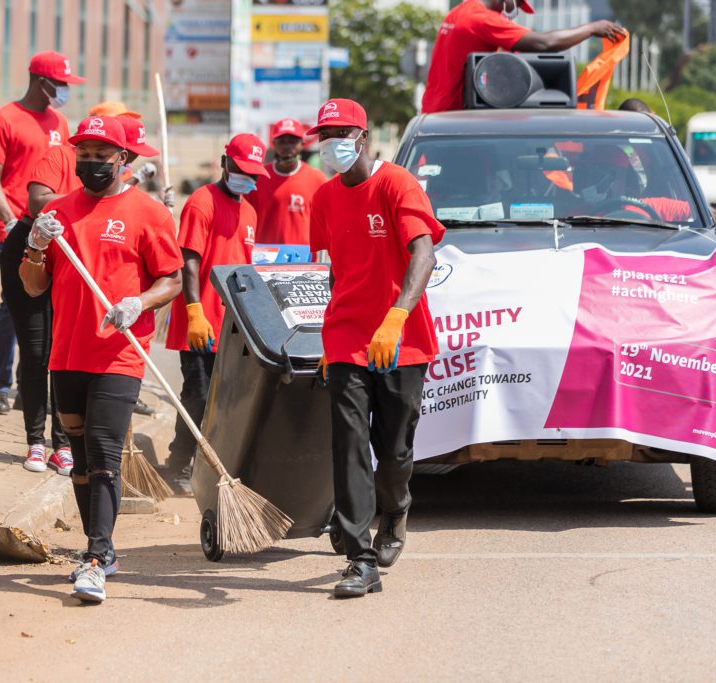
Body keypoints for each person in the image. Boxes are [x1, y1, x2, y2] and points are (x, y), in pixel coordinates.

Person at [19, 116, 182, 602]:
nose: (90, 163)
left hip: (118, 352)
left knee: (105, 452)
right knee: (81, 460)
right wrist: (35, 245)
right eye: (83, 154)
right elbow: (34, 286)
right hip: (67, 353)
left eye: (100, 154)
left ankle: (96, 554)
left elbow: (171, 279)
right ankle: (100, 550)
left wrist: (140, 303)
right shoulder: (60, 212)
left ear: (123, 159)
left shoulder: (148, 213)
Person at [307, 99, 444, 598]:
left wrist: (396, 316)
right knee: (347, 445)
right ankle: (360, 559)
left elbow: (424, 255)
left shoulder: (396, 184)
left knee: (394, 451)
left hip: (400, 339)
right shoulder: (323, 199)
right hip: (345, 338)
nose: (331, 143)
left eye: (340, 132)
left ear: (362, 138)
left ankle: (397, 507)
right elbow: (336, 270)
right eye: (324, 134)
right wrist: (328, 335)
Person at [0, 52, 82, 420]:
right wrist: (7, 219)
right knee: (11, 305)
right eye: (63, 84)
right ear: (42, 82)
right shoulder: (5, 119)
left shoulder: (61, 122)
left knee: (47, 307)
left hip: (53, 228)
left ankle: (30, 386)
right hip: (16, 224)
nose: (66, 90)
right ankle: (0, 383)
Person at [163, 134, 267, 491]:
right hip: (200, 320)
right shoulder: (202, 202)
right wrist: (194, 310)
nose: (245, 177)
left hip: (232, 325)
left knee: (224, 400)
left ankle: (207, 463)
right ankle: (178, 462)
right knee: (200, 394)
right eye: (239, 169)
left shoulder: (250, 211)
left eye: (252, 173)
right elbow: (189, 260)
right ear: (225, 163)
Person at [422, 0, 626, 114]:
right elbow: (545, 43)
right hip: (455, 116)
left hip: (435, 112)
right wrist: (591, 28)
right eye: (516, 4)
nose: (516, 10)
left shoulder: (459, 12)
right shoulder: (482, 19)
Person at [246, 118, 327, 245]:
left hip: (304, 260)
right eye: (282, 141)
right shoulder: (258, 178)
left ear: (302, 144)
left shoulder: (317, 179)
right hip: (264, 259)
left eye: (292, 142)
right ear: (273, 143)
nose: (287, 146)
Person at [571, 144, 691, 223]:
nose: (602, 181)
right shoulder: (577, 217)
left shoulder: (650, 207)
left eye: (611, 175)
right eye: (595, 175)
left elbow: (698, 215)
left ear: (625, 179)